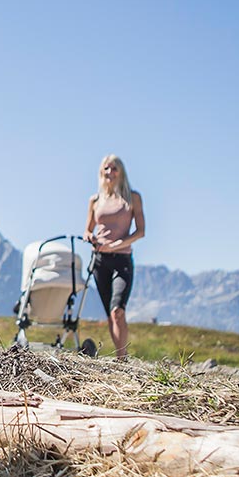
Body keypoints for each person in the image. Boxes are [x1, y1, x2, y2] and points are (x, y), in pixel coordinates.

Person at [83, 154, 145, 360]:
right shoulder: (95, 200)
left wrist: (119, 244)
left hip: (122, 259)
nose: (110, 172)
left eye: (114, 168)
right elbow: (88, 229)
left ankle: (122, 357)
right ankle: (121, 360)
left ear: (121, 172)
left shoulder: (132, 198)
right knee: (110, 313)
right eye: (106, 169)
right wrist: (90, 237)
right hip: (100, 261)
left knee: (118, 310)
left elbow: (140, 231)